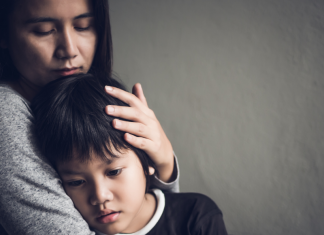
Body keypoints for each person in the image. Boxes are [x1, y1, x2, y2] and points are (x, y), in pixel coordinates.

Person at [0, 0, 179, 234]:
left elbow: (168, 219)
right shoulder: (6, 113)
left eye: (83, 26)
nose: (69, 50)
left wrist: (165, 161)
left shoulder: (99, 101)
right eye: (43, 31)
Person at [31, 73, 228, 235]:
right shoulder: (70, 227)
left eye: (114, 172)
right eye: (76, 182)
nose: (100, 196)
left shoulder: (196, 215)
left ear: (147, 160)